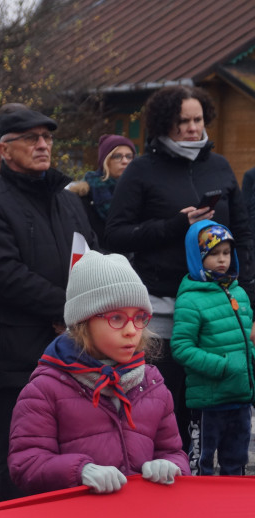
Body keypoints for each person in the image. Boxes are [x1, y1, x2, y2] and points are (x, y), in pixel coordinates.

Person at [105, 84, 254, 452]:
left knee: (217, 406)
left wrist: (247, 292)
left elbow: (243, 234)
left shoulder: (219, 166)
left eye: (197, 119)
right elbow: (114, 234)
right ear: (164, 123)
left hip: (217, 308)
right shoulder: (141, 170)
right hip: (163, 306)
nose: (191, 128)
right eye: (182, 121)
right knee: (168, 403)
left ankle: (213, 482)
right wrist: (173, 226)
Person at [0, 108, 97, 501]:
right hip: (22, 353)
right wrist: (67, 310)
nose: (43, 145)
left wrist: (83, 312)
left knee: (73, 450)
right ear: (4, 150)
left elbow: (93, 254)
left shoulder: (69, 201)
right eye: (32, 138)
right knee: (22, 460)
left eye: (47, 138)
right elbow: (4, 274)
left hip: (78, 349)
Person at [9, 251, 189, 494]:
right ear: (83, 323)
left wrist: (170, 466)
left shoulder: (153, 384)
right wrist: (79, 470)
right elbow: (26, 464)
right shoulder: (44, 390)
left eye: (139, 317)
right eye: (116, 317)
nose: (131, 331)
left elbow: (173, 452)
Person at [171, 221, 254, 476]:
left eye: (226, 253)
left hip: (240, 397)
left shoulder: (238, 293)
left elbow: (247, 339)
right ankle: (197, 511)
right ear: (198, 257)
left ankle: (234, 511)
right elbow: (181, 347)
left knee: (237, 460)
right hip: (209, 400)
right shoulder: (190, 299)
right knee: (202, 462)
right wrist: (222, 366)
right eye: (213, 254)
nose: (222, 260)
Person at [67, 134, 135, 247]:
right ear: (105, 160)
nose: (125, 161)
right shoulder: (85, 194)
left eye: (129, 156)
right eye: (117, 156)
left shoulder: (138, 193)